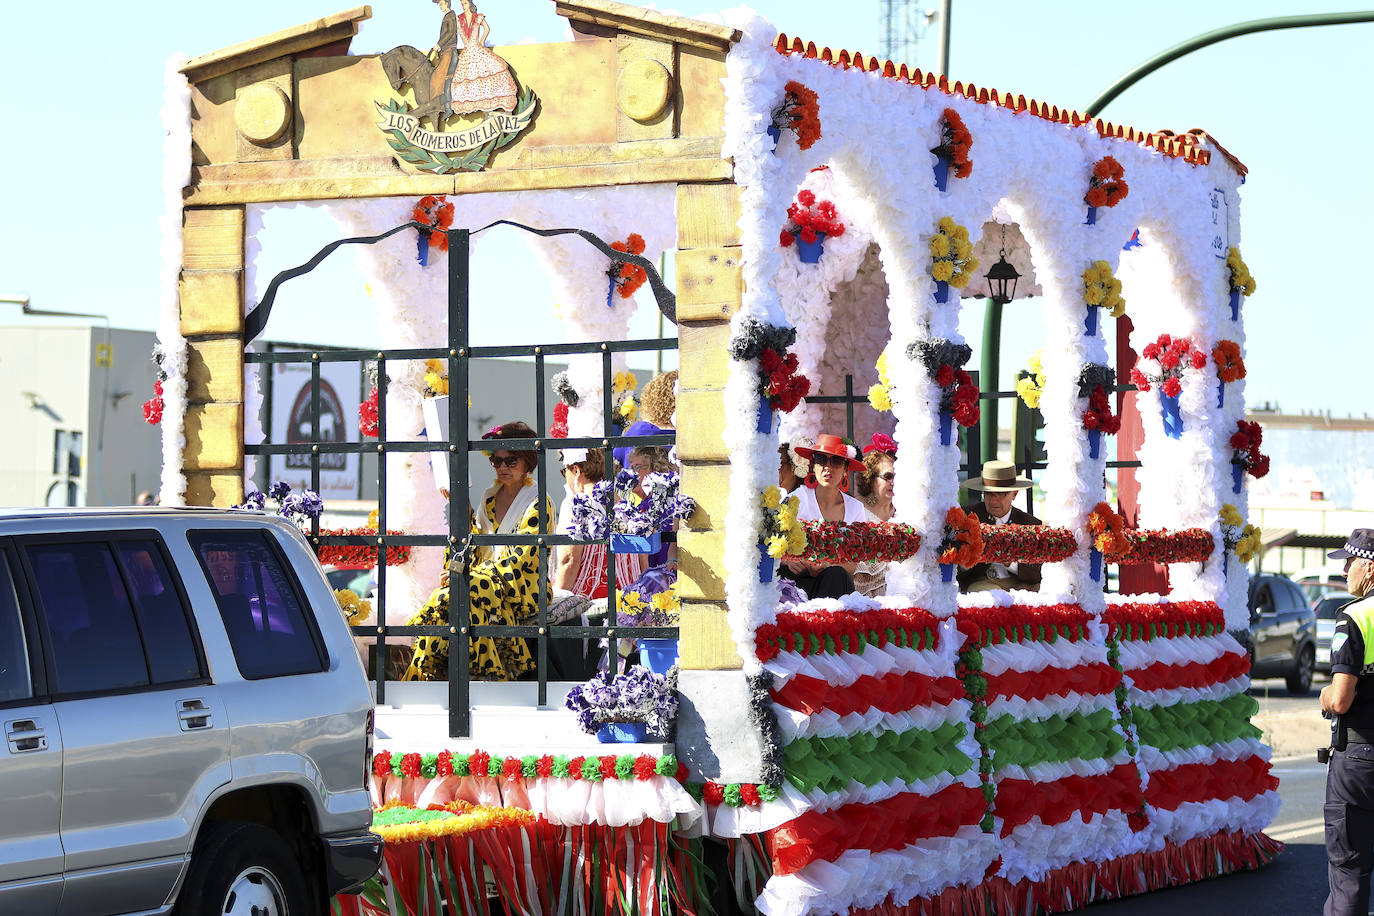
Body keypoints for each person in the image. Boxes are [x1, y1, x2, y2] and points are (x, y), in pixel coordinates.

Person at [402, 421, 552, 681]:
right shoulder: (489, 498)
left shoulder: (539, 500)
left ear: (528, 461)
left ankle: (434, 675)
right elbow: (476, 551)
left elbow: (522, 561)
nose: (502, 467)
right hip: (485, 583)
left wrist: (471, 577)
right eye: (496, 461)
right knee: (456, 591)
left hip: (521, 587)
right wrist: (467, 516)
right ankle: (462, 676)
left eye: (511, 461)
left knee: (464, 589)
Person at [1320, 528, 1374, 916]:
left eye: (1350, 562)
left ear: (1369, 568)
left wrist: (1324, 696)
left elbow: (1340, 699)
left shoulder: (1355, 616)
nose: (1345, 572)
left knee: (1350, 873)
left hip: (1359, 760)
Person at [782, 434, 866, 599]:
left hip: (833, 584)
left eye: (836, 461)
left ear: (845, 470)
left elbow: (853, 565)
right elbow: (772, 544)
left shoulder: (856, 508)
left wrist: (828, 563)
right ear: (813, 466)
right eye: (821, 459)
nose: (827, 467)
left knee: (836, 574)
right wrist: (787, 559)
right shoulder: (795, 499)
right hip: (795, 584)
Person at [957, 459, 1043, 593]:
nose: (993, 500)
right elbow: (955, 570)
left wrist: (1010, 561)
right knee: (994, 597)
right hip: (982, 583)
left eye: (1001, 494)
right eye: (988, 494)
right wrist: (968, 558)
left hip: (1019, 585)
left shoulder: (1030, 524)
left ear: (1014, 494)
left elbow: (1036, 574)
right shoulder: (967, 518)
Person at [448, 0, 518, 115]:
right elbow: (456, 34)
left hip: (477, 49)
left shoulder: (478, 17)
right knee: (468, 79)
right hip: (467, 52)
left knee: (489, 73)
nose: (463, 6)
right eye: (461, 4)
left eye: (465, 3)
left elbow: (487, 28)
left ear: (470, 4)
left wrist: (481, 41)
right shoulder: (459, 19)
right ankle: (480, 108)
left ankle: (496, 105)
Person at [853, 434, 897, 598]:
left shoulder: (905, 512)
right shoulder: (858, 512)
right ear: (870, 479)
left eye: (897, 476)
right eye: (888, 477)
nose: (893, 482)